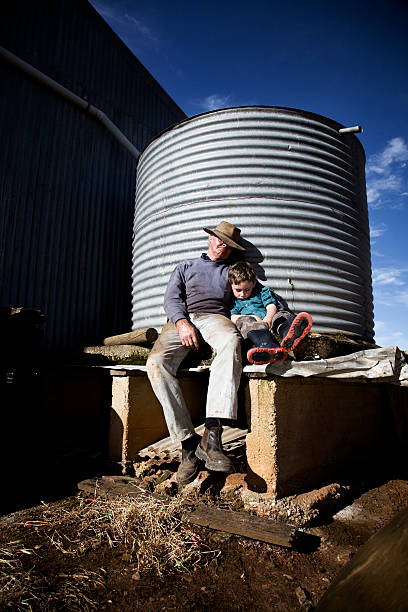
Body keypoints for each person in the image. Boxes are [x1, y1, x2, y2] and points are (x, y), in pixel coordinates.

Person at [146, 221, 245, 486]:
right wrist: (181, 322)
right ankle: (188, 446)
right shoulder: (186, 266)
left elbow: (253, 294)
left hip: (215, 318)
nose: (222, 246)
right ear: (211, 239)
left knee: (232, 341)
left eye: (229, 245)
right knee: (156, 363)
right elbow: (171, 299)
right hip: (184, 319)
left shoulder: (231, 271)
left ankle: (212, 436)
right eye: (219, 240)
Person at [229, 261, 312, 365]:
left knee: (280, 315)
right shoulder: (233, 301)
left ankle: (289, 332)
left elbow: (271, 306)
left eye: (246, 289)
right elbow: (233, 317)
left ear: (253, 283)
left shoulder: (261, 291)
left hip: (268, 319)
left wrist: (267, 320)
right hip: (255, 329)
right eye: (238, 290)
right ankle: (268, 346)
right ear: (231, 286)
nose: (242, 294)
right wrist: (252, 317)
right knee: (244, 321)